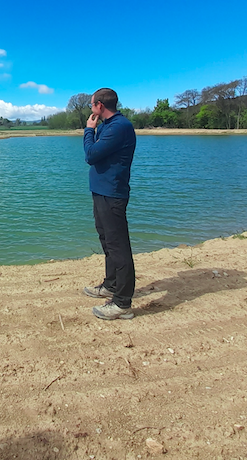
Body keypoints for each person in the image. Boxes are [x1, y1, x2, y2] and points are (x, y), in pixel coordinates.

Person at [81, 88, 138, 320]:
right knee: (107, 241)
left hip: (112, 194)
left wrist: (88, 130)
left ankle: (122, 303)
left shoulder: (119, 127)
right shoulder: (108, 125)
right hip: (101, 192)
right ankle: (111, 285)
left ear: (99, 106)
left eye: (91, 105)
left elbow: (91, 155)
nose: (91, 109)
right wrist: (95, 129)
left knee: (118, 246)